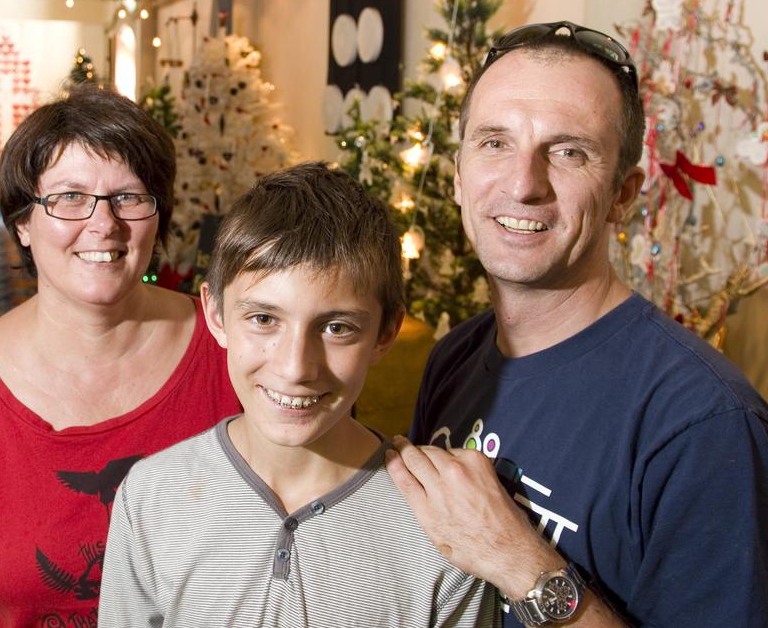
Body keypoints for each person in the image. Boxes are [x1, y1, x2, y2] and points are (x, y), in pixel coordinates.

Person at [385, 21, 768, 627]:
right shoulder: (455, 357)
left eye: (569, 152)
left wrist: (520, 561)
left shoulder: (705, 423)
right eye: (494, 143)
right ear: (457, 176)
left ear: (623, 195)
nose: (523, 184)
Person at [0, 85, 241, 627]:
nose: (104, 224)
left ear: (157, 216)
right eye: (69, 196)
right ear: (23, 223)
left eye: (129, 196)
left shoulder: (236, 356)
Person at [99, 162, 500, 627]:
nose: (295, 367)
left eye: (336, 327)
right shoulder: (151, 497)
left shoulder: (440, 523)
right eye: (264, 319)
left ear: (386, 332)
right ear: (215, 314)